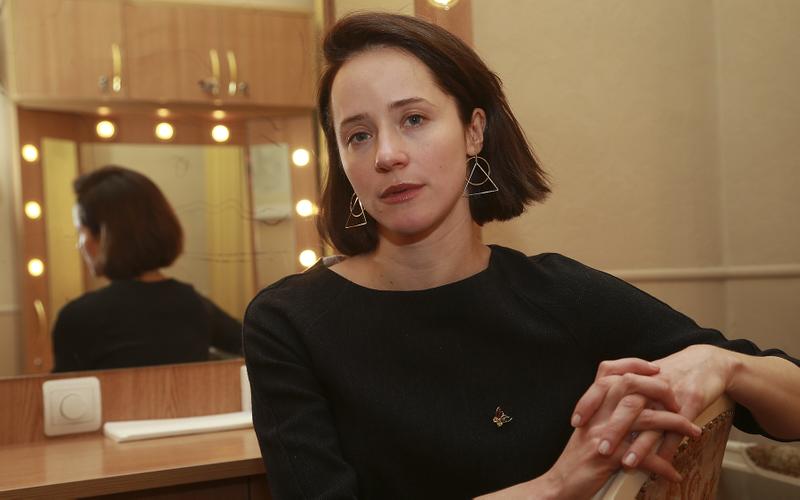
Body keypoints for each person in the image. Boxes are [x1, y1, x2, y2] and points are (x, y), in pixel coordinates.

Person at [242, 13, 800, 499]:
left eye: (413, 119)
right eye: (358, 136)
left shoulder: (560, 297)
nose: (386, 154)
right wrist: (555, 487)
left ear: (473, 131)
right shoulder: (290, 323)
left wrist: (724, 363)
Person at [52, 165, 242, 372]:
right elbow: (250, 344)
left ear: (104, 236)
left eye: (80, 231)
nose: (79, 244)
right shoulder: (194, 304)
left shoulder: (78, 317)